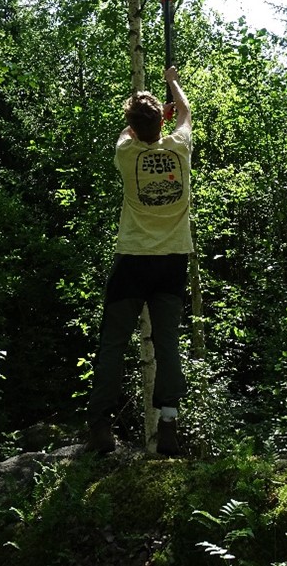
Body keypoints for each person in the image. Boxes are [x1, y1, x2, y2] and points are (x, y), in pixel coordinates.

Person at [85, 66, 192, 456]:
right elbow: (186, 113)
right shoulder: (180, 149)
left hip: (132, 260)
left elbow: (129, 132)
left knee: (113, 343)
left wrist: (149, 118)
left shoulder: (126, 153)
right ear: (161, 123)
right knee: (167, 345)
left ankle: (101, 426)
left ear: (132, 125)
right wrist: (172, 81)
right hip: (171, 261)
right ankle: (168, 427)